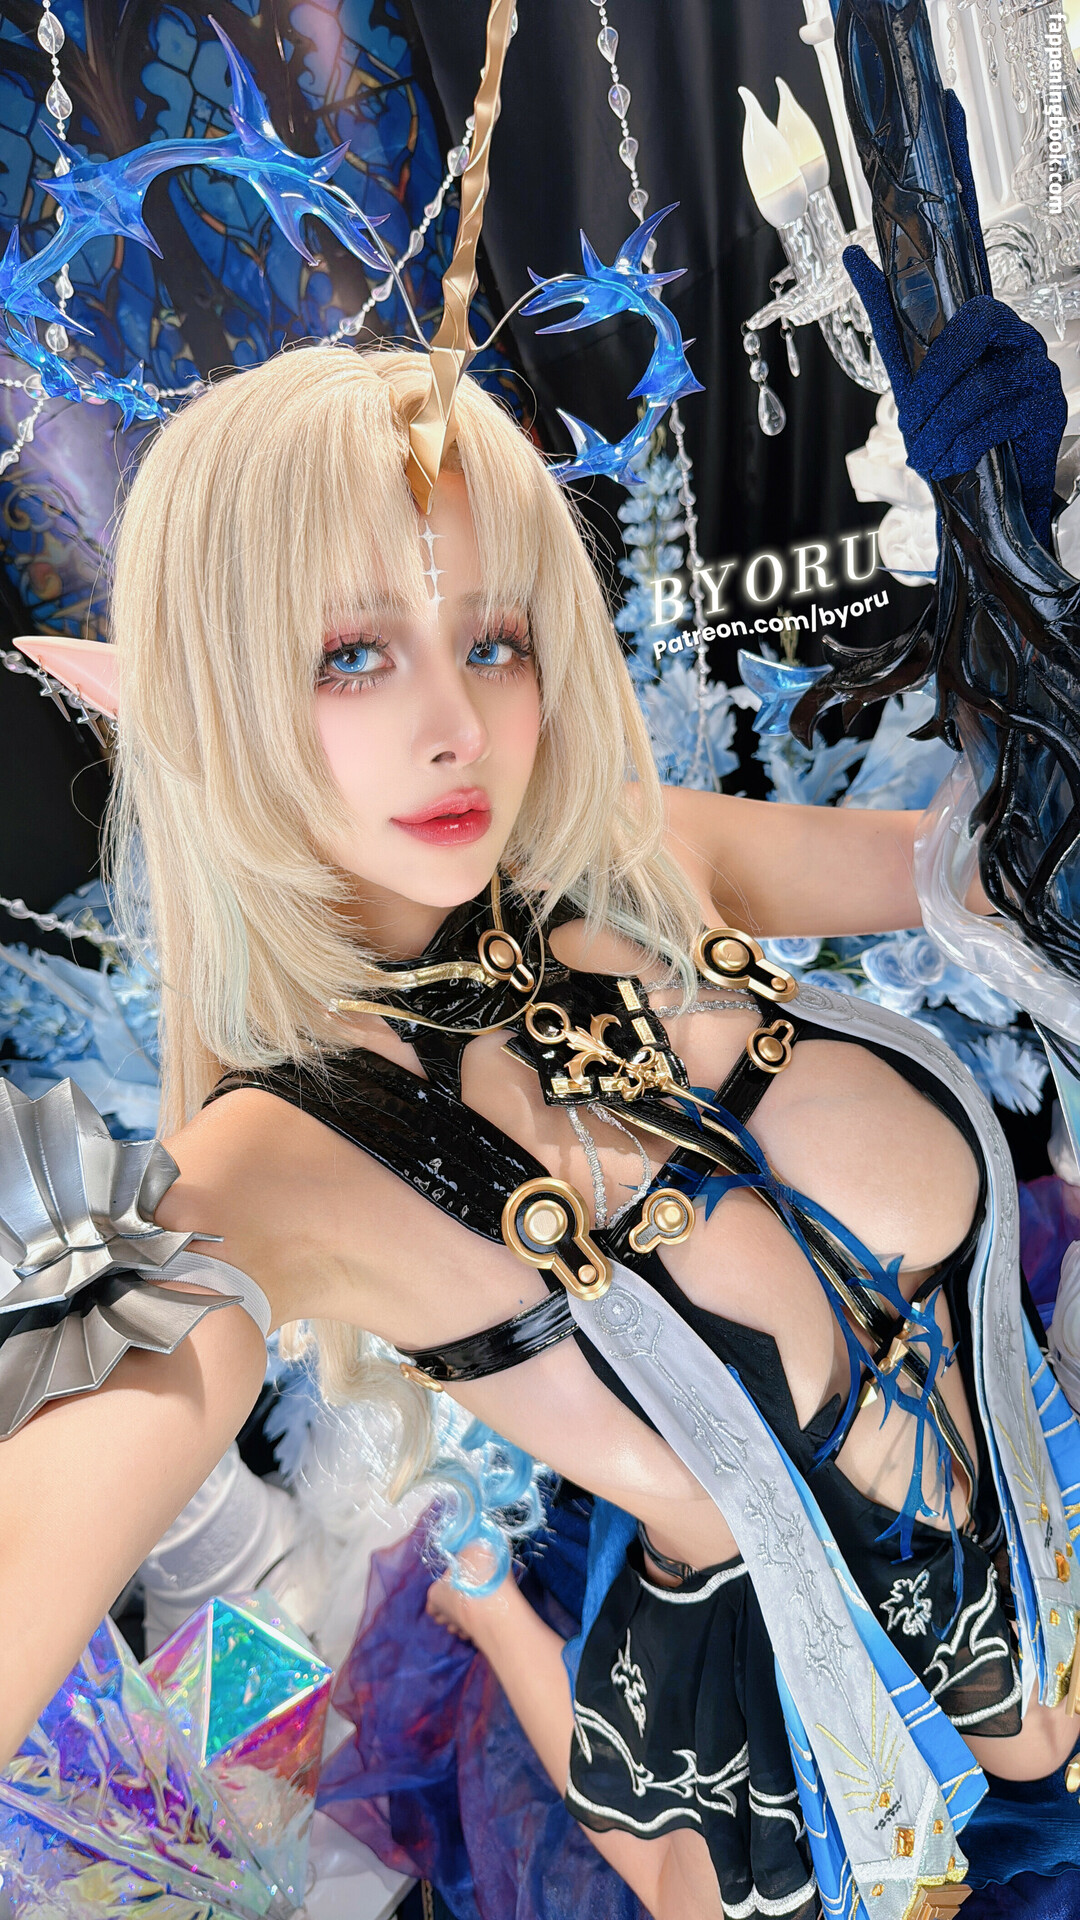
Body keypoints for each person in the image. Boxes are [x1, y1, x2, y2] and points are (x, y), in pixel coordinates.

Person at [2, 341, 1078, 1920]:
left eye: (492, 638)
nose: (457, 725)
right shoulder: (281, 1164)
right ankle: (498, 1614)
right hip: (830, 1790)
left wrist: (1027, 588)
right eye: (351, 655)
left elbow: (991, 873)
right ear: (212, 700)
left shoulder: (631, 854)